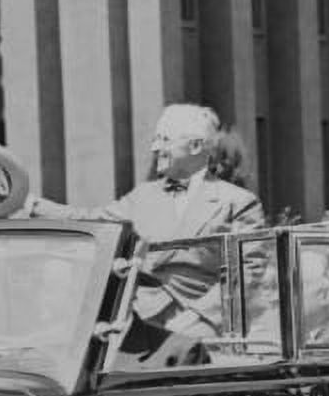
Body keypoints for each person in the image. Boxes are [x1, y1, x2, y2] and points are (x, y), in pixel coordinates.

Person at [26, 103, 265, 335]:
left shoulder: (238, 202)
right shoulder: (143, 196)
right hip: (139, 324)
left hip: (205, 327)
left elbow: (247, 272)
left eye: (164, 140)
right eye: (155, 139)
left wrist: (200, 318)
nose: (155, 148)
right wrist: (29, 204)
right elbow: (90, 219)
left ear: (194, 146)